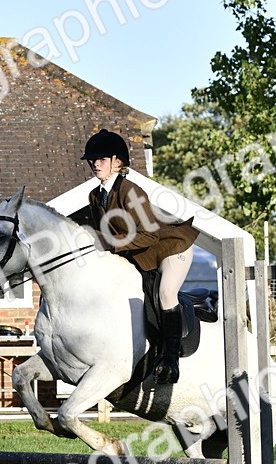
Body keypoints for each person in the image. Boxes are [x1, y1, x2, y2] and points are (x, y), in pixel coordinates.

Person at [77, 129, 198, 384]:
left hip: (170, 247)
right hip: (140, 256)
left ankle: (170, 360)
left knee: (166, 293)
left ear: (117, 162)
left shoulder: (131, 192)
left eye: (101, 158)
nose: (95, 163)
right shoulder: (95, 195)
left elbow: (150, 237)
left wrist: (111, 242)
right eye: (93, 159)